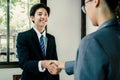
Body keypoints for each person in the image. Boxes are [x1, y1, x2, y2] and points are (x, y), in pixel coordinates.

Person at [49, 0, 120, 80]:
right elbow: (107, 62)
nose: (86, 12)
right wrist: (63, 65)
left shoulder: (92, 41)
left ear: (96, 1)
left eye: (85, 5)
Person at [16, 3, 60, 80]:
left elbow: (54, 61)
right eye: (40, 14)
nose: (43, 17)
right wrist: (43, 64)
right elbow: (23, 63)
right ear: (32, 17)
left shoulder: (51, 38)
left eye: (46, 14)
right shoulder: (23, 36)